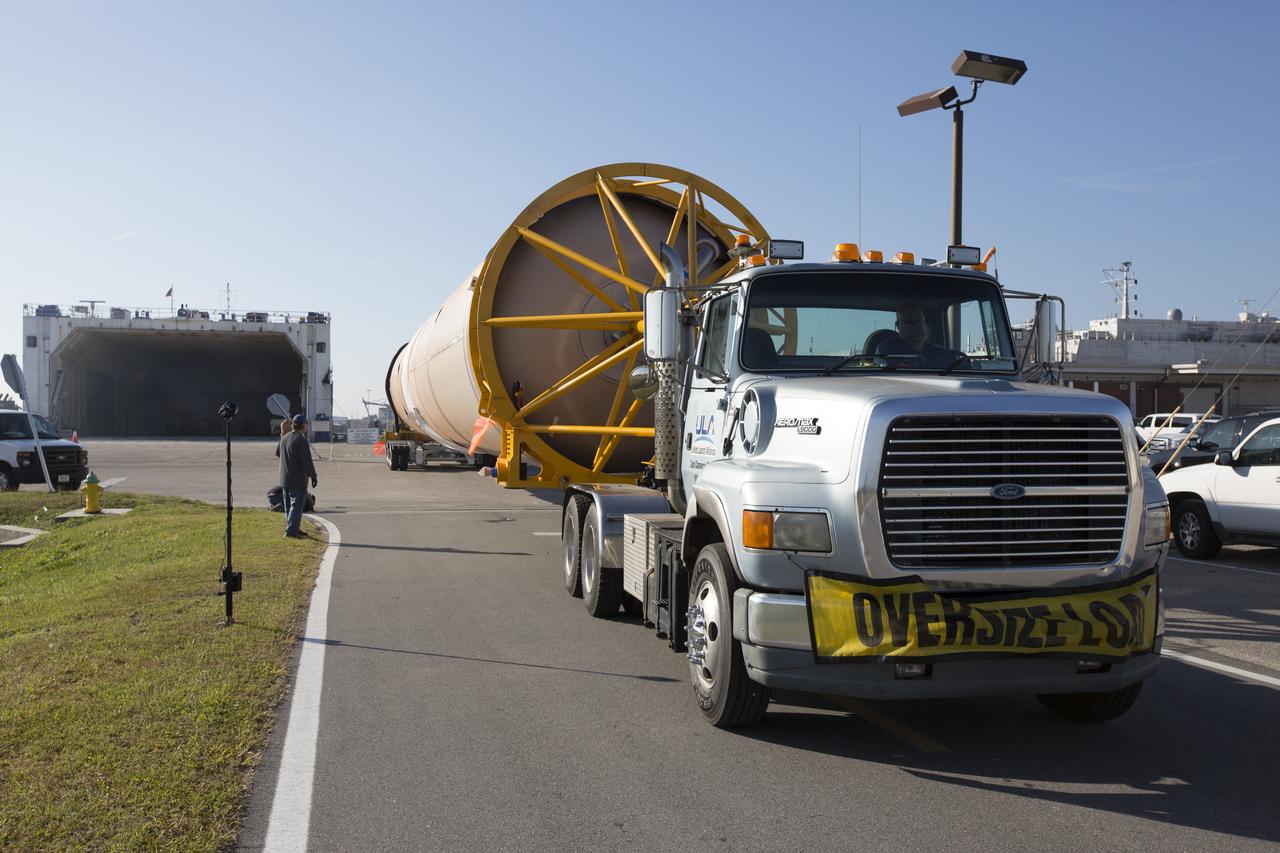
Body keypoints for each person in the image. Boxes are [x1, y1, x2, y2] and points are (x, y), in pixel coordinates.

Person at [877, 305, 965, 369]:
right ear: (898, 326)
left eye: (919, 319)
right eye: (910, 321)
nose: (918, 325)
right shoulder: (887, 351)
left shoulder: (941, 354)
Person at [276, 413, 318, 538]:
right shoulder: (301, 440)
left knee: (288, 505)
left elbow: (278, 453)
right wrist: (313, 476)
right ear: (304, 425)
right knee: (296, 505)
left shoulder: (284, 437)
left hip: (284, 478)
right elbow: (307, 461)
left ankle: (293, 527)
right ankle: (291, 531)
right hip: (297, 479)